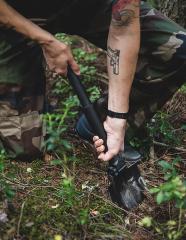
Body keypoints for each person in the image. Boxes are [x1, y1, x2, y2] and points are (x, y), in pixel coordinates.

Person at [0, 0, 186, 161]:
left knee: (179, 49)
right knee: (25, 150)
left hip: (85, 5)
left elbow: (124, 27)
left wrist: (117, 115)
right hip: (15, 14)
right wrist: (45, 41)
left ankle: (97, 122)